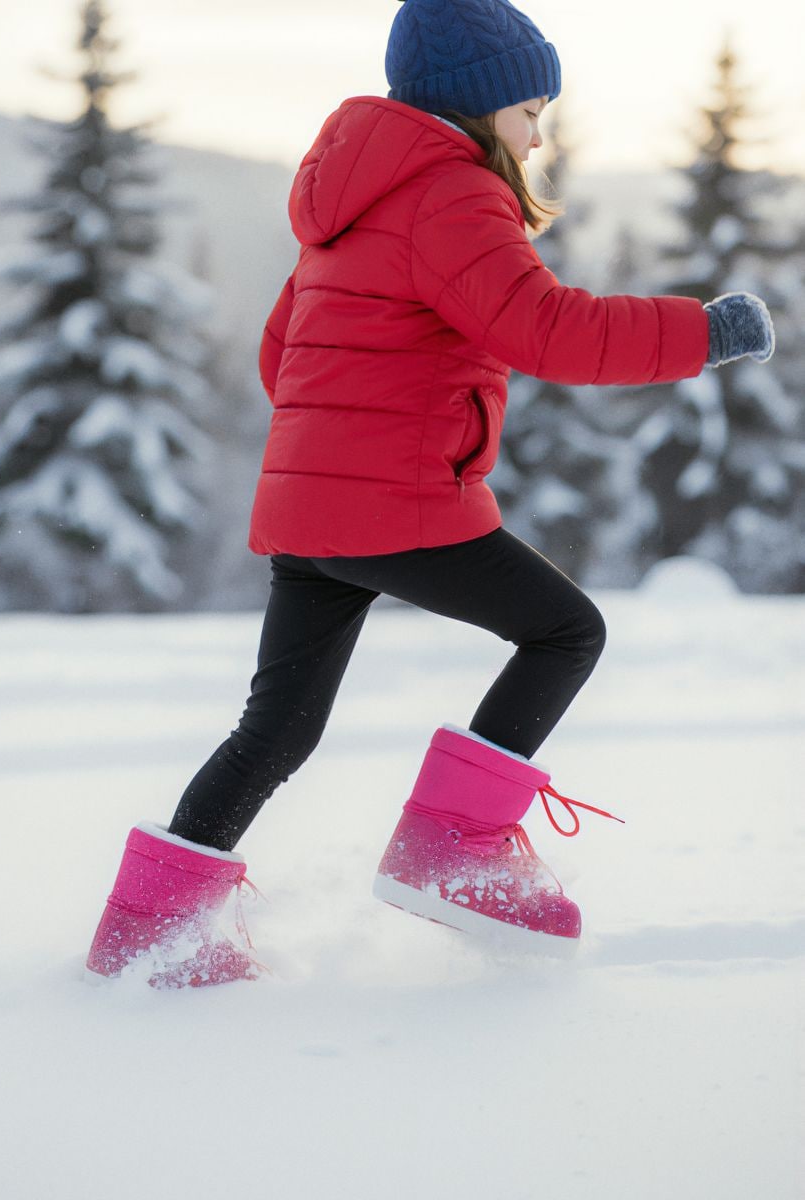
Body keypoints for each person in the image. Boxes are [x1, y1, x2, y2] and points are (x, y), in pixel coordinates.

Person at [85, 0, 775, 987]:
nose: (539, 130)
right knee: (566, 632)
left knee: (276, 727)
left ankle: (147, 937)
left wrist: (347, 440)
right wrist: (705, 333)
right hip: (388, 504)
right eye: (531, 108)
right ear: (482, 105)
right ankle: (456, 850)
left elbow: (283, 356)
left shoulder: (350, 197)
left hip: (310, 513)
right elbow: (549, 330)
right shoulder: (450, 194)